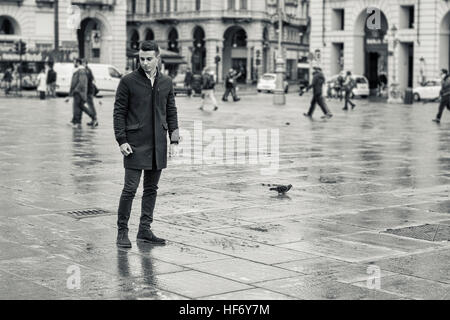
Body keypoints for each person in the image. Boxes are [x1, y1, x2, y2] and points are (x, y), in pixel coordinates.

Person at [113, 40, 179, 248]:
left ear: (157, 58)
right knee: (130, 189)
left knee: (151, 189)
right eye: (141, 59)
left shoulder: (166, 82)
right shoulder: (128, 81)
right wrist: (121, 140)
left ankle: (144, 230)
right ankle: (122, 231)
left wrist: (174, 140)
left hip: (158, 143)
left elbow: (171, 111)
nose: (145, 63)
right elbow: (119, 112)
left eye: (149, 59)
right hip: (134, 144)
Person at [68, 58, 96, 128]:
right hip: (79, 92)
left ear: (77, 63)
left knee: (77, 107)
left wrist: (75, 90)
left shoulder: (81, 71)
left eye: (74, 62)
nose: (73, 64)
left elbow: (82, 83)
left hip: (79, 92)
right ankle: (77, 121)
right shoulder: (79, 70)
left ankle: (77, 122)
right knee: (80, 107)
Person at [82, 59, 98, 127]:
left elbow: (87, 81)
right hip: (88, 91)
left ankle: (94, 119)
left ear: (85, 63)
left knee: (90, 105)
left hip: (88, 91)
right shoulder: (88, 70)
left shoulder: (87, 71)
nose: (82, 64)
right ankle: (93, 119)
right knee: (89, 105)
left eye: (83, 63)